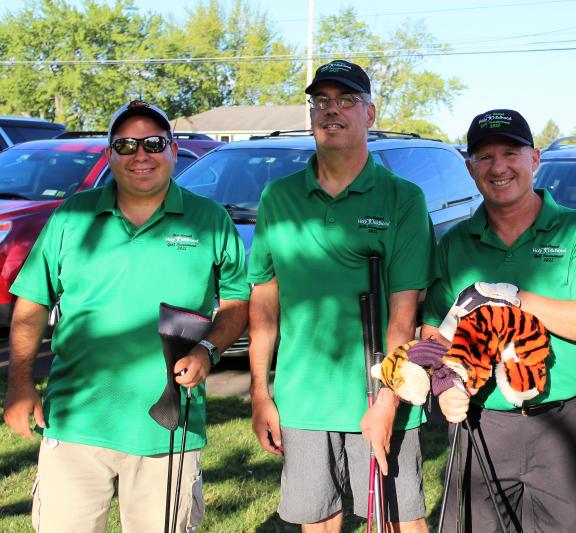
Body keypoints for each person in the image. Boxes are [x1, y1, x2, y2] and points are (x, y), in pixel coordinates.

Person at [2, 100, 250, 533]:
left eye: (153, 143)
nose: (140, 155)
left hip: (167, 426)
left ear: (174, 150)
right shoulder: (73, 216)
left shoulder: (209, 220)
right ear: (110, 154)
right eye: (126, 145)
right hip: (76, 421)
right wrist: (20, 383)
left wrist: (208, 351)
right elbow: (33, 302)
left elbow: (236, 302)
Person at [247, 59, 437, 531]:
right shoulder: (278, 198)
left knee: (400, 522)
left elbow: (403, 316)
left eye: (347, 100)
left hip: (378, 393)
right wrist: (260, 393)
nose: (332, 110)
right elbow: (264, 301)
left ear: (369, 114)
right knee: (318, 522)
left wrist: (388, 401)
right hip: (302, 400)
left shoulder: (403, 198)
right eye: (322, 101)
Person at [421, 109, 576, 532]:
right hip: (481, 422)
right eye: (485, 157)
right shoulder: (455, 243)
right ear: (470, 168)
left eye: (511, 153)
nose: (499, 167)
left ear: (535, 159)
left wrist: (513, 296)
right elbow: (434, 328)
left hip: (563, 424)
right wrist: (444, 383)